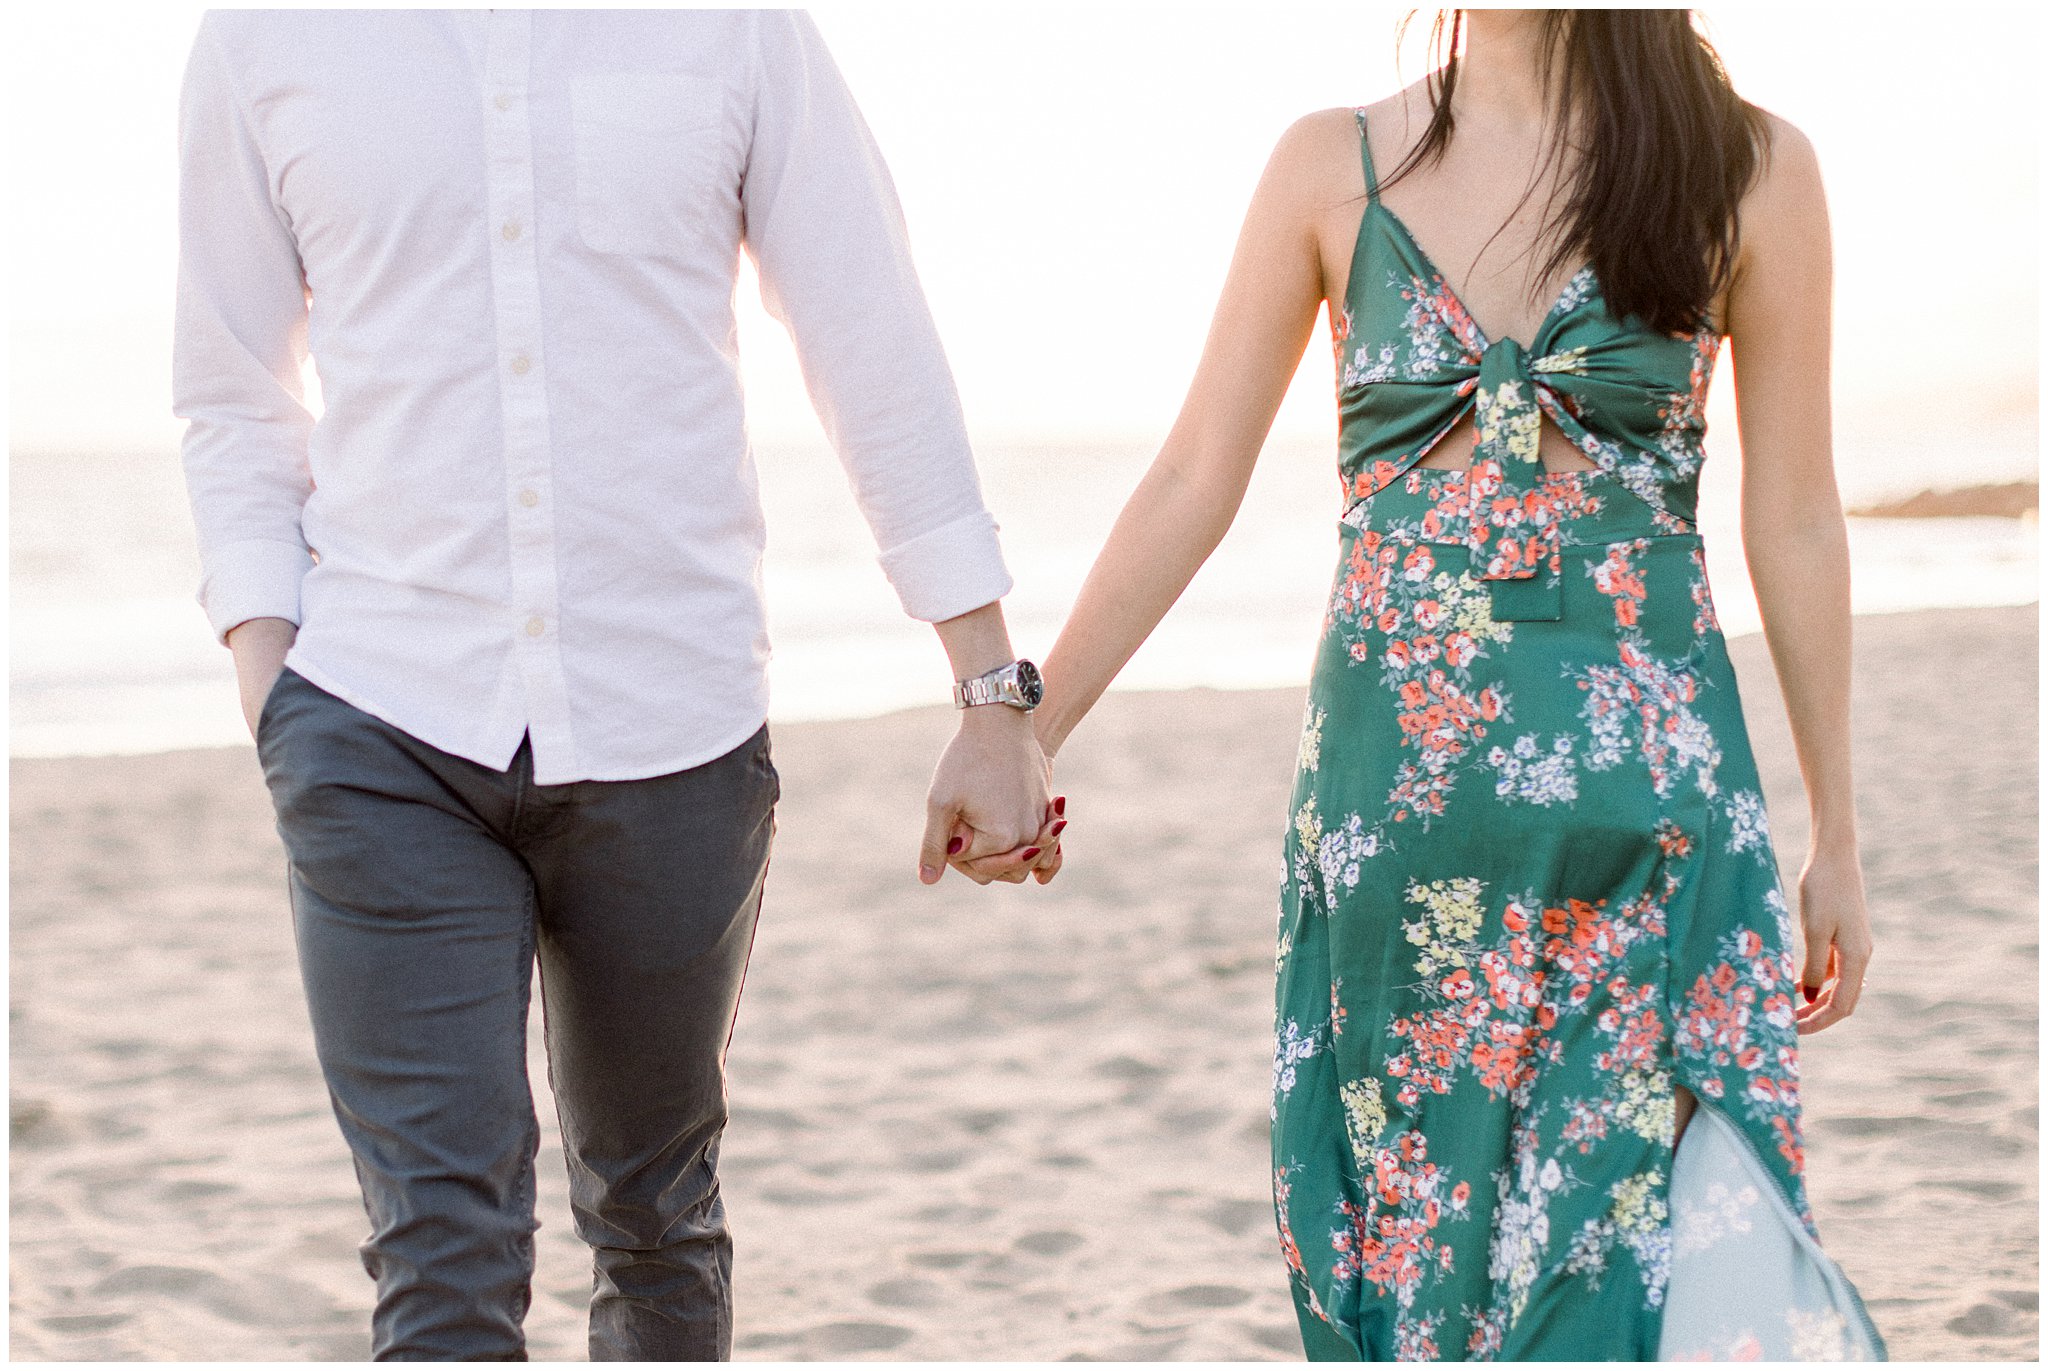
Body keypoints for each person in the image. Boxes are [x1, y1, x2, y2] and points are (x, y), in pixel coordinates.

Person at [173, 10, 1055, 1360]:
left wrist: (990, 694)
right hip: (379, 722)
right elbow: (233, 389)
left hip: (676, 724)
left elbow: (865, 333)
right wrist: (269, 684)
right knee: (442, 1247)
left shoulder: (739, 26)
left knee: (656, 1219)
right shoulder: (265, 38)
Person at [1021, 9, 1885, 1361]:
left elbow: (1797, 517)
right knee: (1416, 1286)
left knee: (1617, 1279)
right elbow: (1196, 475)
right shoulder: (1332, 166)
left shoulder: (1749, 168)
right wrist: (1027, 722)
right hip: (1399, 842)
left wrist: (1838, 832)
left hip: (1648, 838)